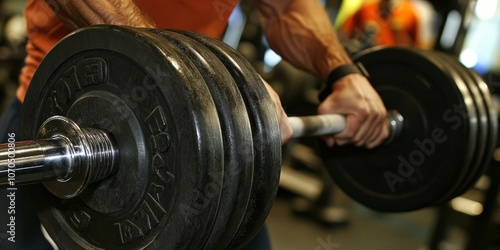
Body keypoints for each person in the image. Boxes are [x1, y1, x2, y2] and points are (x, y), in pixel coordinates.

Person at [0, 0, 388, 249]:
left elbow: (286, 6)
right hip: (65, 117)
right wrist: (191, 77)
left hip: (205, 142)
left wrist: (341, 71)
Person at [340, 0, 421, 53]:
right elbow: (345, 34)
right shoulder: (367, 8)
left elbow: (415, 48)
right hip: (369, 59)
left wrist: (399, 34)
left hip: (395, 62)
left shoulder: (409, 12)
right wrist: (364, 30)